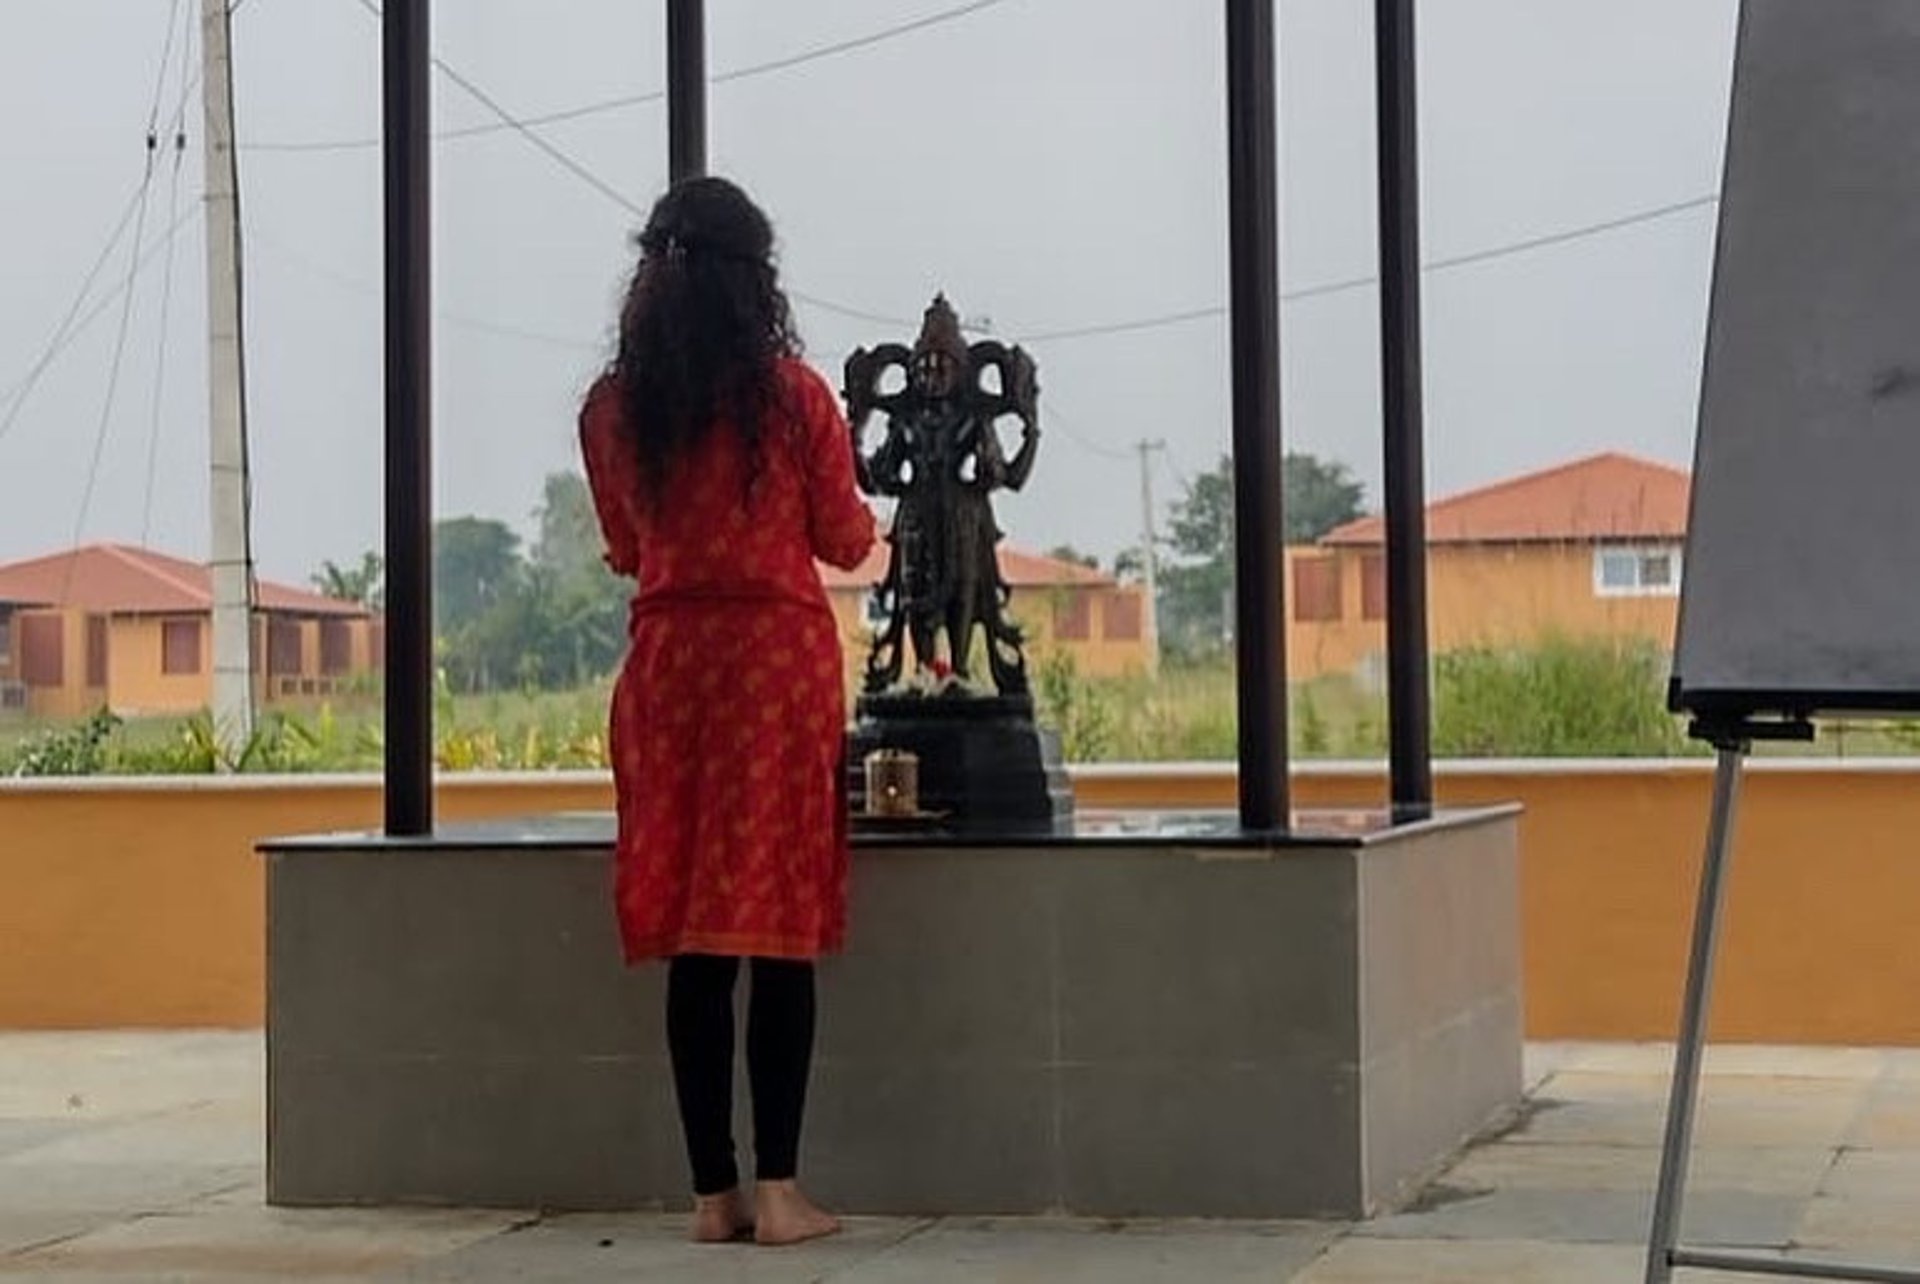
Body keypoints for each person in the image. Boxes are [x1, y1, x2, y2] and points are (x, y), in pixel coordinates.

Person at [578, 176, 877, 1247]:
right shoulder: (792, 397)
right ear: (761, 282)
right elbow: (846, 540)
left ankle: (715, 1198)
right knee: (777, 926)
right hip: (773, 668)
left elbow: (626, 548)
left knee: (697, 936)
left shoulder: (613, 411)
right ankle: (785, 1192)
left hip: (670, 671)